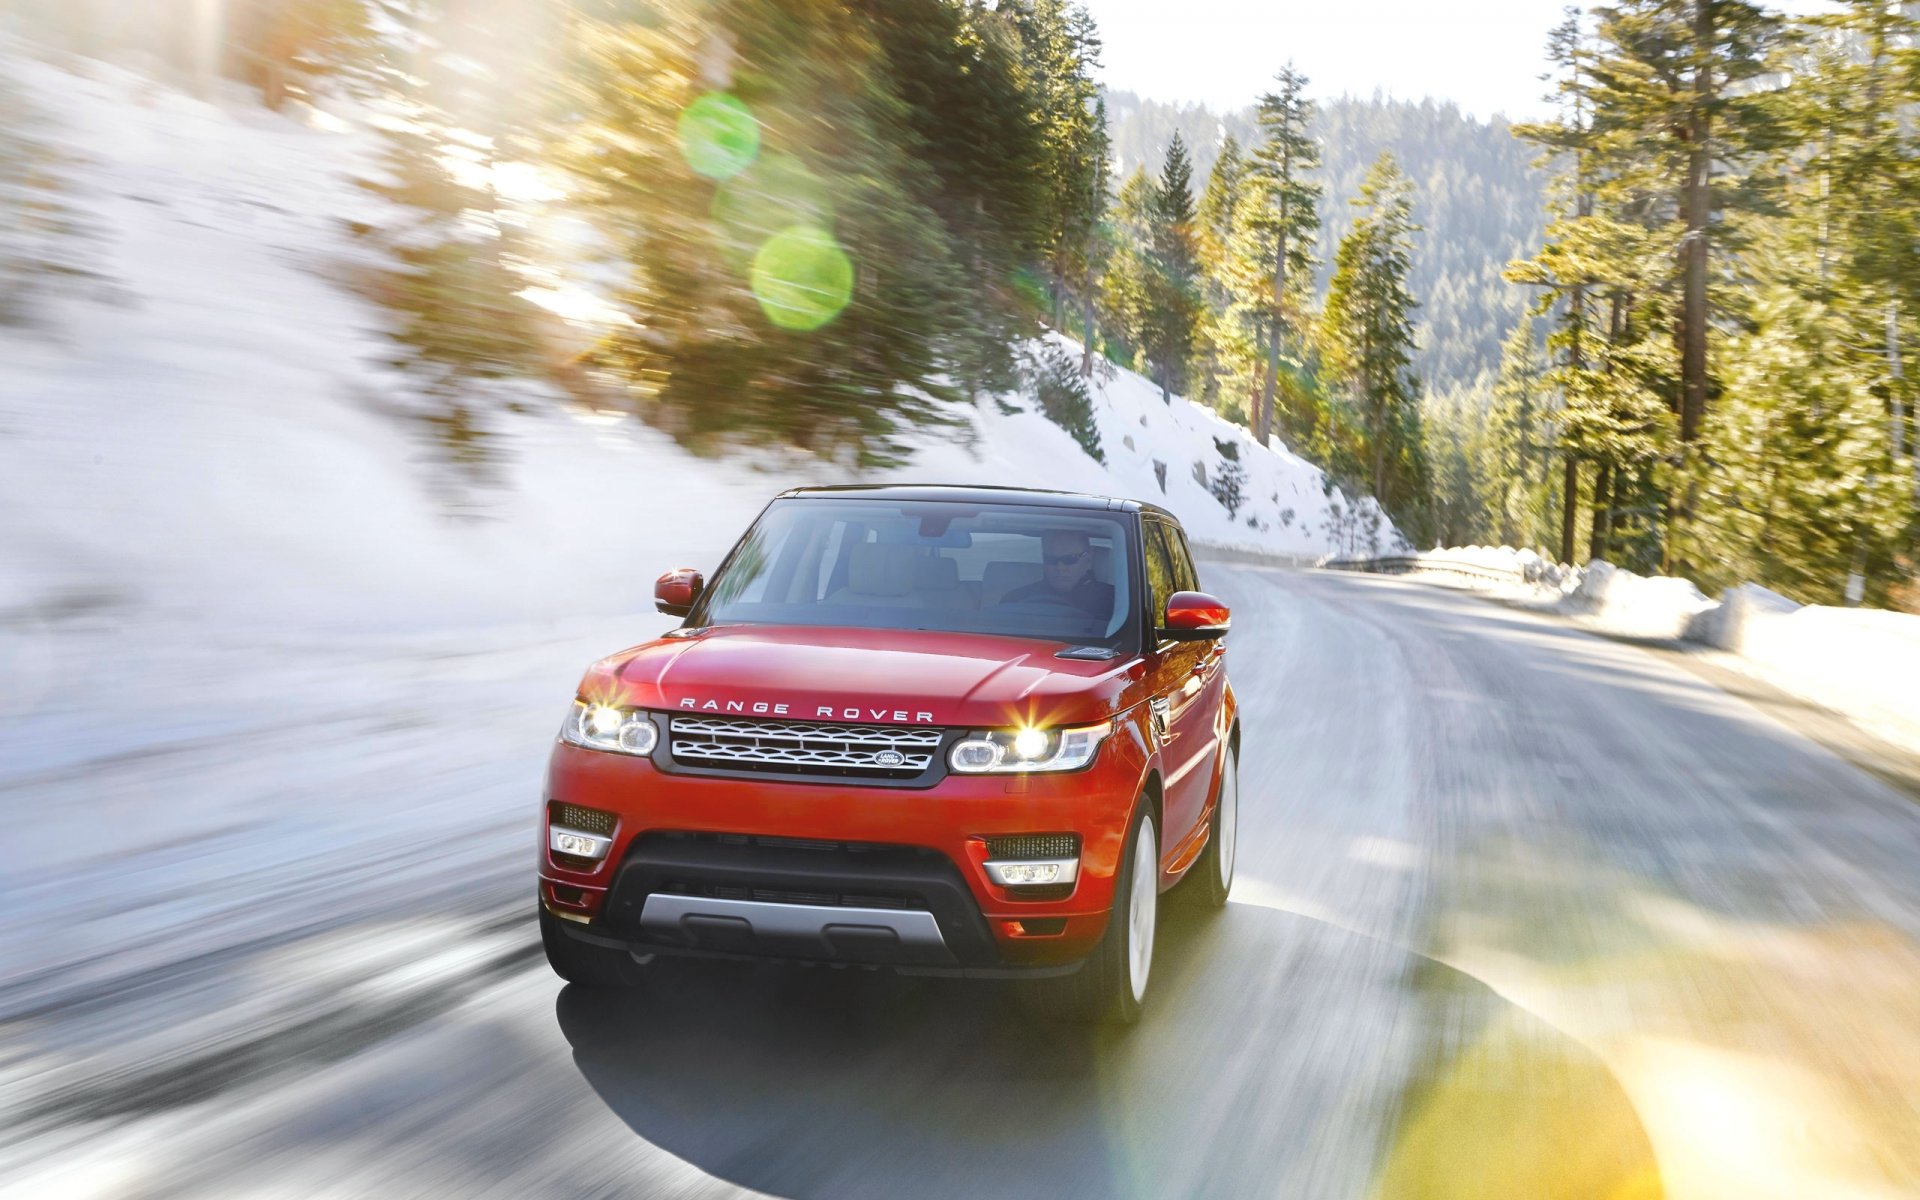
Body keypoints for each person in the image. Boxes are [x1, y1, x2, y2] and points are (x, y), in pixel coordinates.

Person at [1002, 530, 1114, 616]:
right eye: (1051, 559)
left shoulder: (1114, 602)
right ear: (1044, 560)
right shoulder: (1015, 600)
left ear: (1088, 560)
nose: (1060, 567)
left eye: (1069, 559)